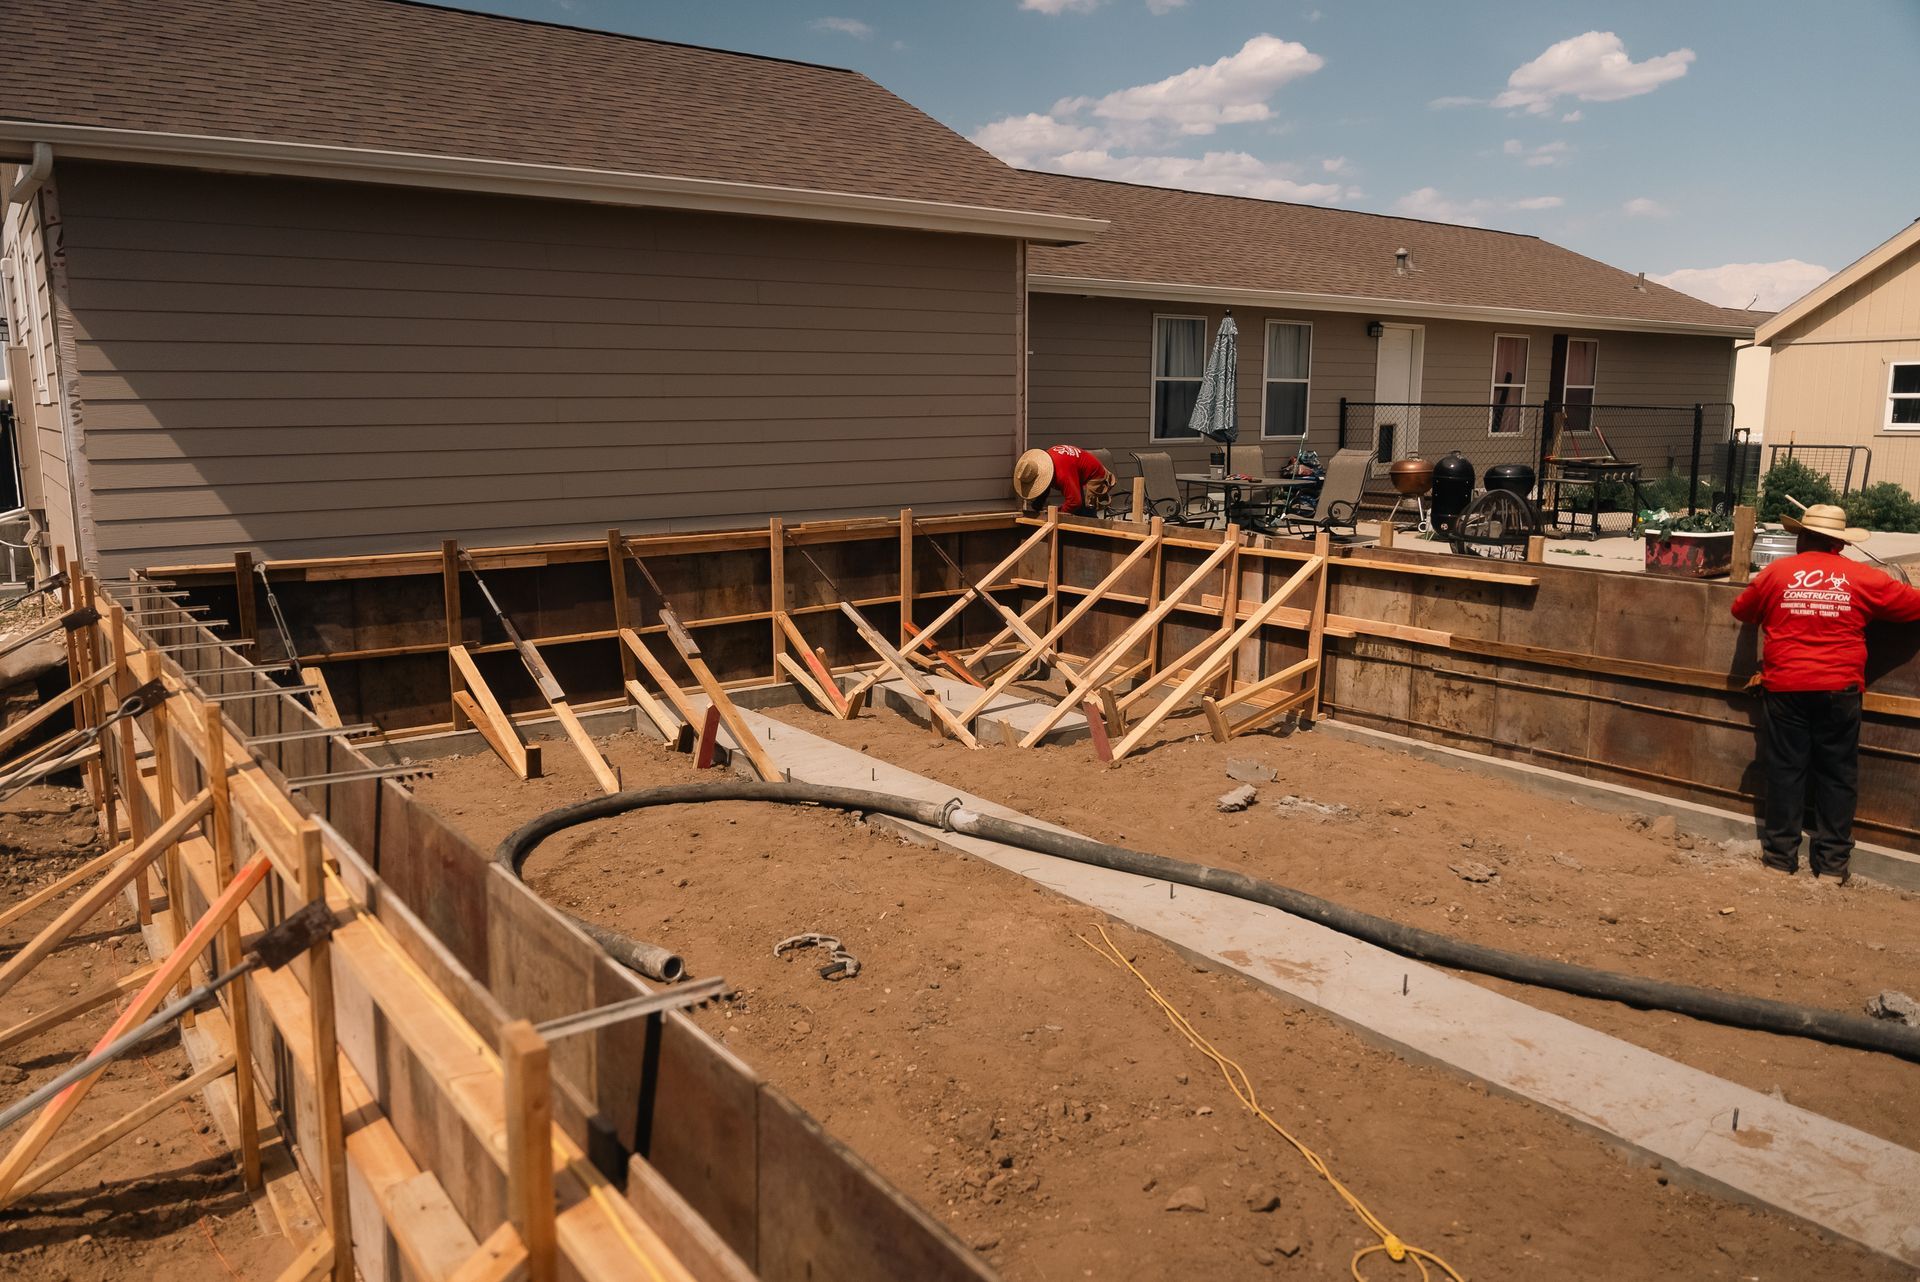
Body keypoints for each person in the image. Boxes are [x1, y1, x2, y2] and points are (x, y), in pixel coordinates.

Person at [1730, 503, 1920, 883]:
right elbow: (1914, 607)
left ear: (1802, 537)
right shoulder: (1863, 577)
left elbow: (1742, 610)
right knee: (1837, 774)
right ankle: (1832, 866)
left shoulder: (1776, 573)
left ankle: (1780, 859)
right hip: (1840, 689)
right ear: (1839, 543)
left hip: (1785, 687)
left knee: (1786, 771)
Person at [1014, 445, 1114, 517]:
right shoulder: (1046, 461)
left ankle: (1091, 540)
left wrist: (1057, 514)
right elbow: (1045, 486)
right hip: (1076, 471)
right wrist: (1038, 505)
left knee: (1083, 512)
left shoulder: (1062, 474)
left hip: (1094, 476)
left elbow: (1074, 502)